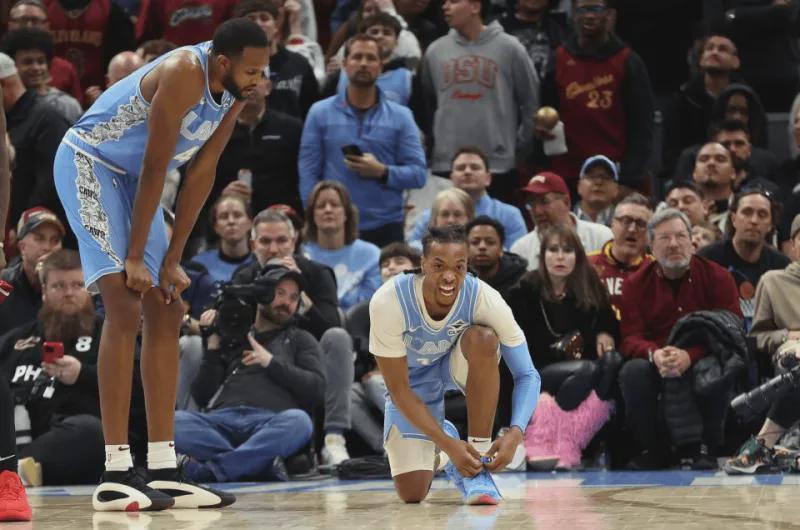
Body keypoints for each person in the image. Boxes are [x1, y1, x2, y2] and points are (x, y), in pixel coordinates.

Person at [52, 18, 269, 511]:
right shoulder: (183, 72)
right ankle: (115, 470)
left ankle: (165, 466)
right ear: (223, 62)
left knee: (168, 308)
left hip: (135, 182)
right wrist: (134, 258)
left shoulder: (235, 90)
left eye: (263, 70)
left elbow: (202, 173)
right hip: (91, 163)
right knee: (124, 305)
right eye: (252, 71)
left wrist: (172, 260)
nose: (259, 80)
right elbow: (156, 165)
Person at [369, 224, 540, 504]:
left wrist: (516, 432)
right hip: (412, 385)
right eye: (439, 266)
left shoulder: (483, 297)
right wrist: (448, 445)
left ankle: (478, 466)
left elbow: (528, 374)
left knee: (484, 338)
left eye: (459, 267)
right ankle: (445, 442)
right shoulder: (388, 301)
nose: (449, 276)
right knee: (412, 493)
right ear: (423, 264)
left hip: (456, 365)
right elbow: (398, 391)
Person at [618, 208, 742, 469]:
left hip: (707, 352)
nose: (673, 244)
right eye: (664, 238)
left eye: (680, 236)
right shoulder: (634, 284)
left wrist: (690, 355)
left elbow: (731, 332)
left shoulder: (718, 277)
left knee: (711, 367)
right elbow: (630, 337)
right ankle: (652, 450)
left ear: (692, 242)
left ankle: (707, 448)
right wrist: (655, 354)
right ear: (651, 247)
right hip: (659, 357)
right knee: (633, 371)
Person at [176, 265, 324, 482]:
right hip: (220, 422)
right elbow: (201, 396)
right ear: (263, 295)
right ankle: (258, 464)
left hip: (270, 422)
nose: (286, 303)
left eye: (293, 298)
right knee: (174, 422)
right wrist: (213, 347)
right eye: (280, 293)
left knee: (300, 422)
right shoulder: (234, 333)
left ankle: (214, 471)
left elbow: (317, 389)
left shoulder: (301, 339)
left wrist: (271, 362)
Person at [299, 34, 427, 248]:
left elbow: (418, 174)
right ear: (344, 64)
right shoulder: (319, 113)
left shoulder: (401, 116)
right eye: (357, 57)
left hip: (385, 226)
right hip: (334, 226)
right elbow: (308, 172)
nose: (364, 64)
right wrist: (313, 214)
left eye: (371, 58)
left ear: (381, 66)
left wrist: (383, 171)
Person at [508, 225, 618, 470]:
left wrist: (605, 332)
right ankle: (557, 438)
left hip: (577, 375)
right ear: (543, 256)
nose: (560, 257)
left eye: (567, 251)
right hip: (536, 372)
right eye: (553, 250)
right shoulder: (524, 290)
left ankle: (565, 439)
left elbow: (607, 319)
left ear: (577, 257)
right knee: (588, 370)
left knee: (611, 363)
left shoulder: (589, 286)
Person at [1, 250, 105, 487]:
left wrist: (83, 375)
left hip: (73, 444)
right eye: (58, 286)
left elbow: (138, 391)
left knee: (89, 432)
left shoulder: (108, 336)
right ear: (44, 291)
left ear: (90, 290)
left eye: (77, 285)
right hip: (14, 438)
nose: (69, 293)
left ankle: (13, 472)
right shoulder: (15, 340)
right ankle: (18, 470)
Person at [419, 0, 538, 204]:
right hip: (447, 164)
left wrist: (519, 149)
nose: (445, 6)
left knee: (495, 222)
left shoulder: (510, 48)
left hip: (498, 164)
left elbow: (530, 102)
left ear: (475, 7)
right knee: (449, 222)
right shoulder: (435, 51)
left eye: (454, 1)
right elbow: (427, 105)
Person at [725, 214, 800, 474]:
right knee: (796, 362)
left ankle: (763, 445)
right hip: (790, 351)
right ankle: (776, 446)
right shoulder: (773, 280)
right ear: (792, 246)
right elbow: (757, 337)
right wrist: (787, 335)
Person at [698, 190, 789, 330]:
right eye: (747, 212)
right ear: (733, 218)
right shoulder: (707, 259)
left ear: (771, 225)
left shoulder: (781, 267)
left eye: (762, 215)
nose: (754, 221)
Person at [408, 147, 528, 249]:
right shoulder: (430, 216)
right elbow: (412, 248)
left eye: (475, 167)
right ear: (451, 178)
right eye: (461, 168)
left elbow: (517, 253)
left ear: (488, 178)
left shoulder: (509, 215)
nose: (467, 172)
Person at [302, 180, 382, 310]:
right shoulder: (302, 256)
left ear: (346, 213)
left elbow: (371, 302)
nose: (328, 210)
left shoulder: (372, 255)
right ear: (312, 216)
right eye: (321, 206)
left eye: (335, 205)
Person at [511, 171, 613, 271]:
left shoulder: (601, 237)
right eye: (531, 204)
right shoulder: (521, 250)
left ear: (566, 202)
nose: (537, 211)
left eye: (544, 202)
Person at [587, 193, 653, 319]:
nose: (632, 229)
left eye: (641, 223)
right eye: (626, 221)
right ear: (612, 224)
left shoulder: (656, 271)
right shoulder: (586, 265)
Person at [0, 207, 64, 336]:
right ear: (22, 247)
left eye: (55, 240)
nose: (47, 247)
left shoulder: (72, 285)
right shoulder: (3, 284)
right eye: (39, 239)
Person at [188, 194, 255, 285]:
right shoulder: (198, 264)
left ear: (250, 222)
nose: (231, 221)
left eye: (237, 215)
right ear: (215, 226)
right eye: (224, 216)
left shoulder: (261, 264)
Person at [466, 215, 527, 298]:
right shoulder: (456, 279)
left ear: (501, 249)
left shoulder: (520, 282)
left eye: (490, 242)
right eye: (475, 242)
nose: (482, 246)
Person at [408, 188, 474, 249]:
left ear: (469, 218)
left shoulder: (476, 251)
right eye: (445, 214)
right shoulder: (418, 250)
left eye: (457, 215)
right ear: (435, 219)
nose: (451, 220)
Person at [573, 155, 620, 226]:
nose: (598, 182)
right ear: (579, 186)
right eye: (591, 177)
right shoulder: (563, 220)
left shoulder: (627, 226)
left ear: (616, 189)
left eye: (606, 178)